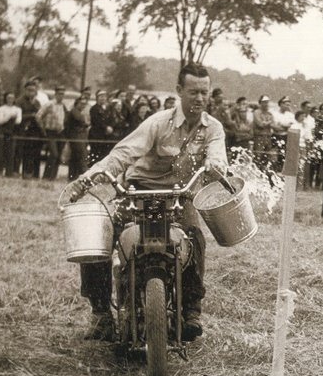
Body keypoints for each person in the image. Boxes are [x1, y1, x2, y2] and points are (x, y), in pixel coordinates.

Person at [73, 64, 228, 341]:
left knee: (194, 237)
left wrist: (216, 166)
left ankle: (191, 310)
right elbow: (123, 153)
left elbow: (218, 157)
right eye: (193, 92)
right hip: (139, 189)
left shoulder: (213, 128)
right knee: (100, 237)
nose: (200, 98)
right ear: (179, 91)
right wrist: (90, 177)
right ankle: (100, 315)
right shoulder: (158, 123)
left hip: (181, 195)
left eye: (204, 92)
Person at [37, 85, 67, 180]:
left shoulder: (63, 105)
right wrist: (43, 128)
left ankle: (52, 177)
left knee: (59, 155)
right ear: (55, 94)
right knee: (54, 154)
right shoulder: (49, 104)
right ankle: (46, 176)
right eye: (59, 94)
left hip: (60, 132)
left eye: (62, 94)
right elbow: (38, 116)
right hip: (50, 132)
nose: (61, 96)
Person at [17, 80, 44, 179]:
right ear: (25, 90)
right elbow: (18, 116)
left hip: (36, 130)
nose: (31, 92)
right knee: (26, 153)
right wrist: (31, 115)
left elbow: (41, 114)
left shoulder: (37, 102)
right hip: (24, 130)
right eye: (29, 90)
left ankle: (35, 174)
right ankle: (25, 173)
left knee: (36, 153)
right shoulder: (19, 101)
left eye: (33, 90)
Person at [63, 95, 90, 181]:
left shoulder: (77, 112)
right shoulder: (74, 111)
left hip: (79, 137)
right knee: (81, 157)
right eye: (81, 104)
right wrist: (86, 124)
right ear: (77, 103)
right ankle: (83, 177)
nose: (83, 106)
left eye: (85, 104)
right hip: (76, 138)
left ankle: (73, 177)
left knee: (75, 158)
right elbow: (82, 122)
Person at [0, 91, 21, 177]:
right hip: (2, 131)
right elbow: (0, 121)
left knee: (11, 153)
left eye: (12, 98)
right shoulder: (1, 108)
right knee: (0, 152)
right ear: (5, 98)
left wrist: (8, 117)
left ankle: (9, 173)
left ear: (14, 99)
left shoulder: (18, 109)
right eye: (8, 98)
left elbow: (18, 121)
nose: (10, 100)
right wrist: (10, 116)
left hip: (12, 131)